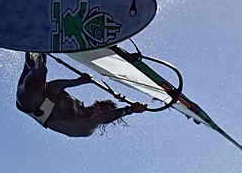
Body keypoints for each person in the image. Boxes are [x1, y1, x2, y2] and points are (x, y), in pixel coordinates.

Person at [16, 52, 146, 137]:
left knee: (40, 70)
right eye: (103, 109)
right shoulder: (75, 103)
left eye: (105, 114)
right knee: (40, 55)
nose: (101, 114)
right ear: (97, 103)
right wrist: (79, 81)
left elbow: (101, 119)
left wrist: (128, 110)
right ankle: (32, 31)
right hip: (31, 87)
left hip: (29, 101)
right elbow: (55, 86)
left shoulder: (86, 129)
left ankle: (34, 49)